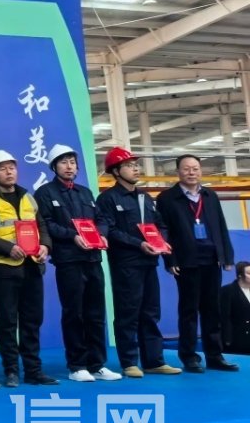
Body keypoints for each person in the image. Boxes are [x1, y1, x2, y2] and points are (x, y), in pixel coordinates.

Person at [34, 144, 121, 383]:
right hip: (69, 260)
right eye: (64, 162)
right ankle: (77, 365)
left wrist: (102, 234)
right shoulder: (45, 193)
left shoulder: (85, 192)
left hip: (93, 259)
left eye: (72, 162)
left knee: (96, 313)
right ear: (54, 167)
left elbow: (101, 219)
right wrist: (72, 236)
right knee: (74, 313)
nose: (69, 167)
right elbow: (46, 224)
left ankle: (97, 364)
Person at [0, 150, 56, 388]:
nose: (9, 172)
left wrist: (45, 246)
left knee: (32, 320)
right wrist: (8, 248)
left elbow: (42, 226)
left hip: (32, 267)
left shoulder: (28, 197)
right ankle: (11, 370)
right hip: (4, 269)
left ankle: (33, 370)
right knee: (7, 321)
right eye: (2, 168)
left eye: (12, 167)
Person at [94, 147, 180, 378]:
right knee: (128, 313)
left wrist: (161, 240)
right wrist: (138, 244)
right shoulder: (108, 199)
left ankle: (154, 361)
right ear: (116, 171)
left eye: (136, 165)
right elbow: (110, 231)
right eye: (129, 165)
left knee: (151, 312)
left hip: (149, 262)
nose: (135, 169)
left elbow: (160, 224)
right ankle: (129, 362)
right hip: (126, 263)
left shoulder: (145, 198)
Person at [157, 154, 239, 373]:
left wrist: (227, 256)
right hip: (186, 261)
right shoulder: (167, 198)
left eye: (195, 168)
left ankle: (215, 356)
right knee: (189, 310)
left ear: (201, 171)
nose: (191, 172)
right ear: (177, 172)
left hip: (212, 260)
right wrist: (170, 258)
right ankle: (189, 356)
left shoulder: (210, 195)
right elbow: (164, 231)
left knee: (212, 310)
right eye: (186, 169)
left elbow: (221, 226)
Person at [220, 262, 250, 356]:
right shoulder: (227, 291)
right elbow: (224, 317)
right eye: (249, 273)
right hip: (236, 340)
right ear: (240, 275)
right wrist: (227, 339)